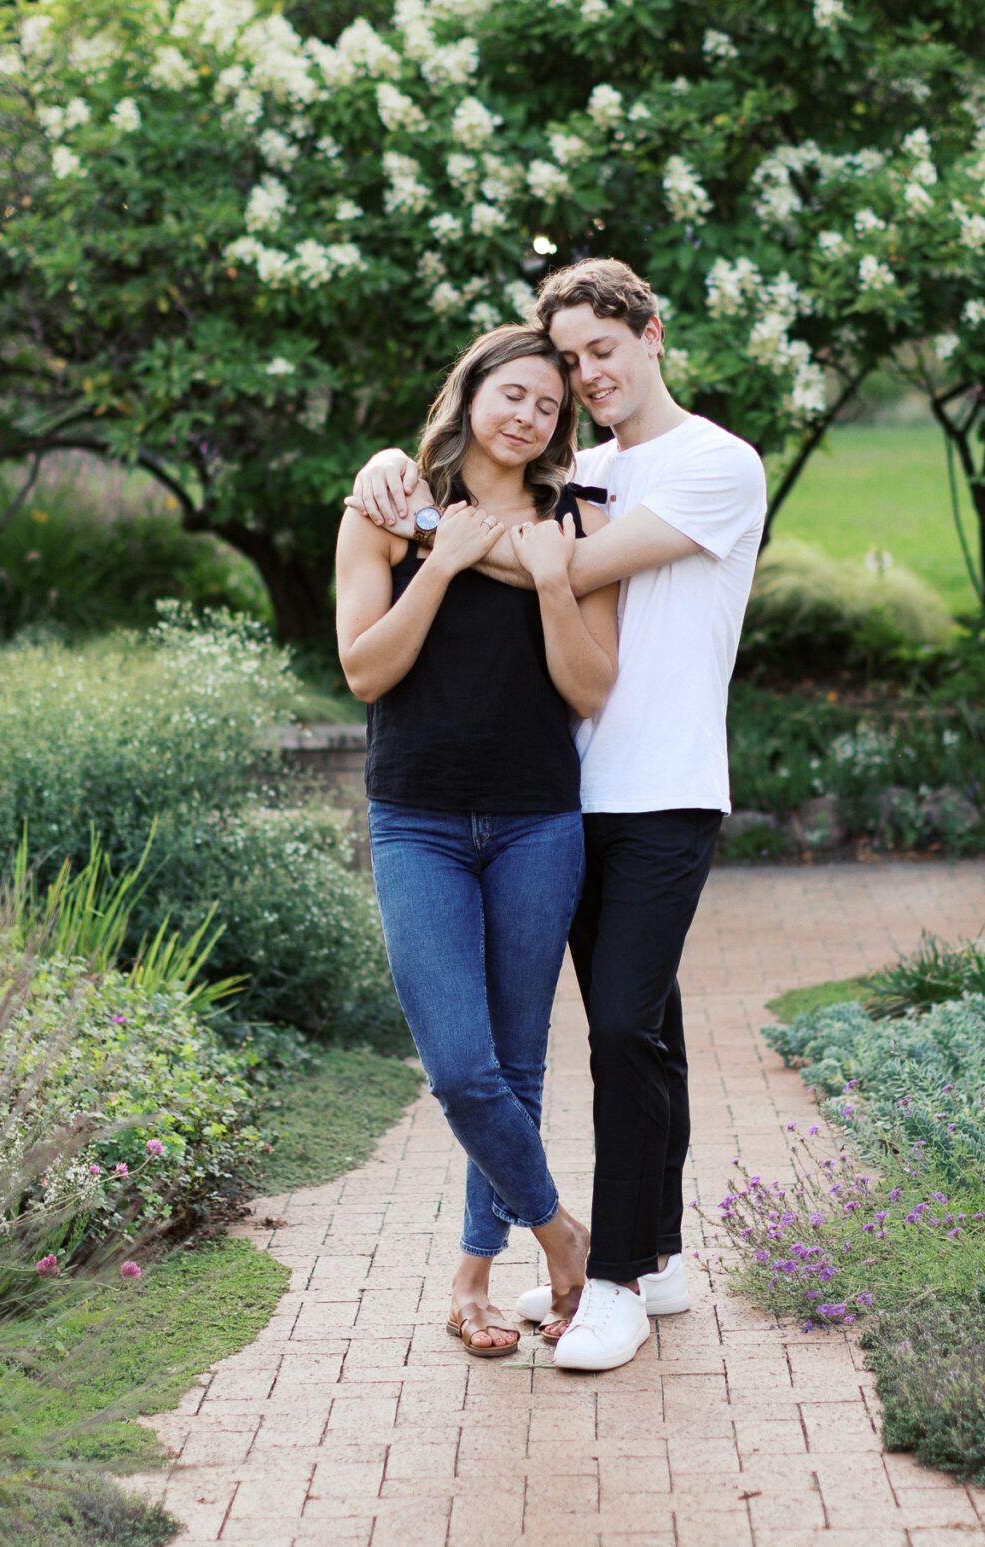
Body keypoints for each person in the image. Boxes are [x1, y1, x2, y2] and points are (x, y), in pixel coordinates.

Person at [348, 259, 767, 1373]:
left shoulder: (709, 465)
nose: (578, 381)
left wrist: (432, 519)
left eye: (596, 355)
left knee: (619, 1028)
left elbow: (565, 566)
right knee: (637, 1036)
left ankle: (613, 1275)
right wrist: (403, 481)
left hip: (656, 789)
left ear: (650, 333)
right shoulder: (590, 467)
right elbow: (478, 542)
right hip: (564, 798)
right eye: (561, 365)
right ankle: (649, 1253)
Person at [334, 324, 623, 1357]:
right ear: (470, 394)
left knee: (516, 1062)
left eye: (548, 406)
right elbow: (365, 672)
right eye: (512, 394)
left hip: (538, 820)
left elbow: (590, 689)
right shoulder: (388, 508)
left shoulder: (583, 520)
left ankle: (471, 1281)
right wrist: (440, 565)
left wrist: (553, 578)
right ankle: (563, 1239)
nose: (527, 416)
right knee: (461, 1068)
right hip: (417, 819)